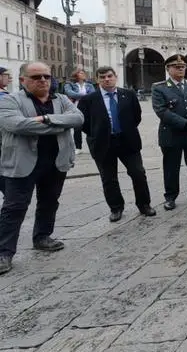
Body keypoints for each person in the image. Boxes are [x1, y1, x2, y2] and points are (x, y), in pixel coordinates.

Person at [0, 62, 83, 274]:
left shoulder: (61, 99)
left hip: (56, 160)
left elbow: (77, 118)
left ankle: (42, 237)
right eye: (36, 77)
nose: (43, 80)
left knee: (49, 201)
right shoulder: (9, 100)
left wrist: (46, 118)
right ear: (22, 81)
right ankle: (4, 253)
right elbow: (17, 125)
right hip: (22, 161)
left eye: (46, 76)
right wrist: (58, 125)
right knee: (14, 207)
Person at [78, 66, 155, 222]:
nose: (106, 79)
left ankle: (144, 204)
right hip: (103, 143)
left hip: (127, 141)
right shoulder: (89, 100)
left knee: (138, 173)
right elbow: (84, 123)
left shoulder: (129, 95)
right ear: (97, 79)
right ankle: (116, 208)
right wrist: (97, 133)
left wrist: (126, 129)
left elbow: (136, 116)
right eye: (102, 77)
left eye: (109, 76)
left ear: (115, 77)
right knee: (109, 178)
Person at [151, 54, 187, 210]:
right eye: (177, 67)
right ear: (168, 69)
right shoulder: (159, 87)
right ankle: (170, 197)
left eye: (183, 66)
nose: (181, 69)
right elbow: (161, 111)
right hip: (171, 133)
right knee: (171, 167)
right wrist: (183, 123)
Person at [63, 69, 95, 154]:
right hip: (75, 108)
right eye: (81, 73)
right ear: (76, 75)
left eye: (84, 73)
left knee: (90, 128)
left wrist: (80, 97)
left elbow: (93, 95)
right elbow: (70, 93)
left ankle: (94, 146)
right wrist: (85, 96)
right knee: (77, 128)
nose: (83, 74)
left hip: (88, 109)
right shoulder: (69, 84)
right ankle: (78, 147)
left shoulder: (89, 85)